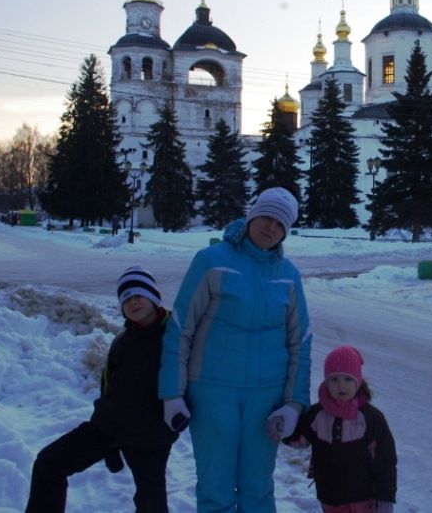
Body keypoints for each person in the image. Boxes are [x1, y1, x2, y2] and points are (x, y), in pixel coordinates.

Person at [159, 186, 312, 513]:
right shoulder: (211, 261)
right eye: (267, 217)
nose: (271, 227)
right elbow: (180, 329)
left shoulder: (288, 275)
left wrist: (294, 404)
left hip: (265, 400)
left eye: (280, 224)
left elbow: (300, 342)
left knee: (258, 490)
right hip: (213, 393)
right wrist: (172, 393)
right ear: (252, 215)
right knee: (216, 490)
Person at [25, 266, 179, 513]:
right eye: (126, 298)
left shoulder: (177, 335)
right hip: (108, 429)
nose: (133, 302)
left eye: (138, 294)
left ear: (153, 296)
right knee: (48, 464)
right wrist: (109, 439)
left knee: (151, 506)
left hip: (150, 438)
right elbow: (108, 388)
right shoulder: (123, 341)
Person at [286, 345, 397, 513]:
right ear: (326, 382)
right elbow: (298, 438)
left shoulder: (371, 418)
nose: (341, 386)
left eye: (347, 379)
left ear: (358, 381)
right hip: (331, 497)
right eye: (334, 380)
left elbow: (385, 461)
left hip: (364, 499)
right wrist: (282, 425)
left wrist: (386, 498)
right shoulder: (317, 415)